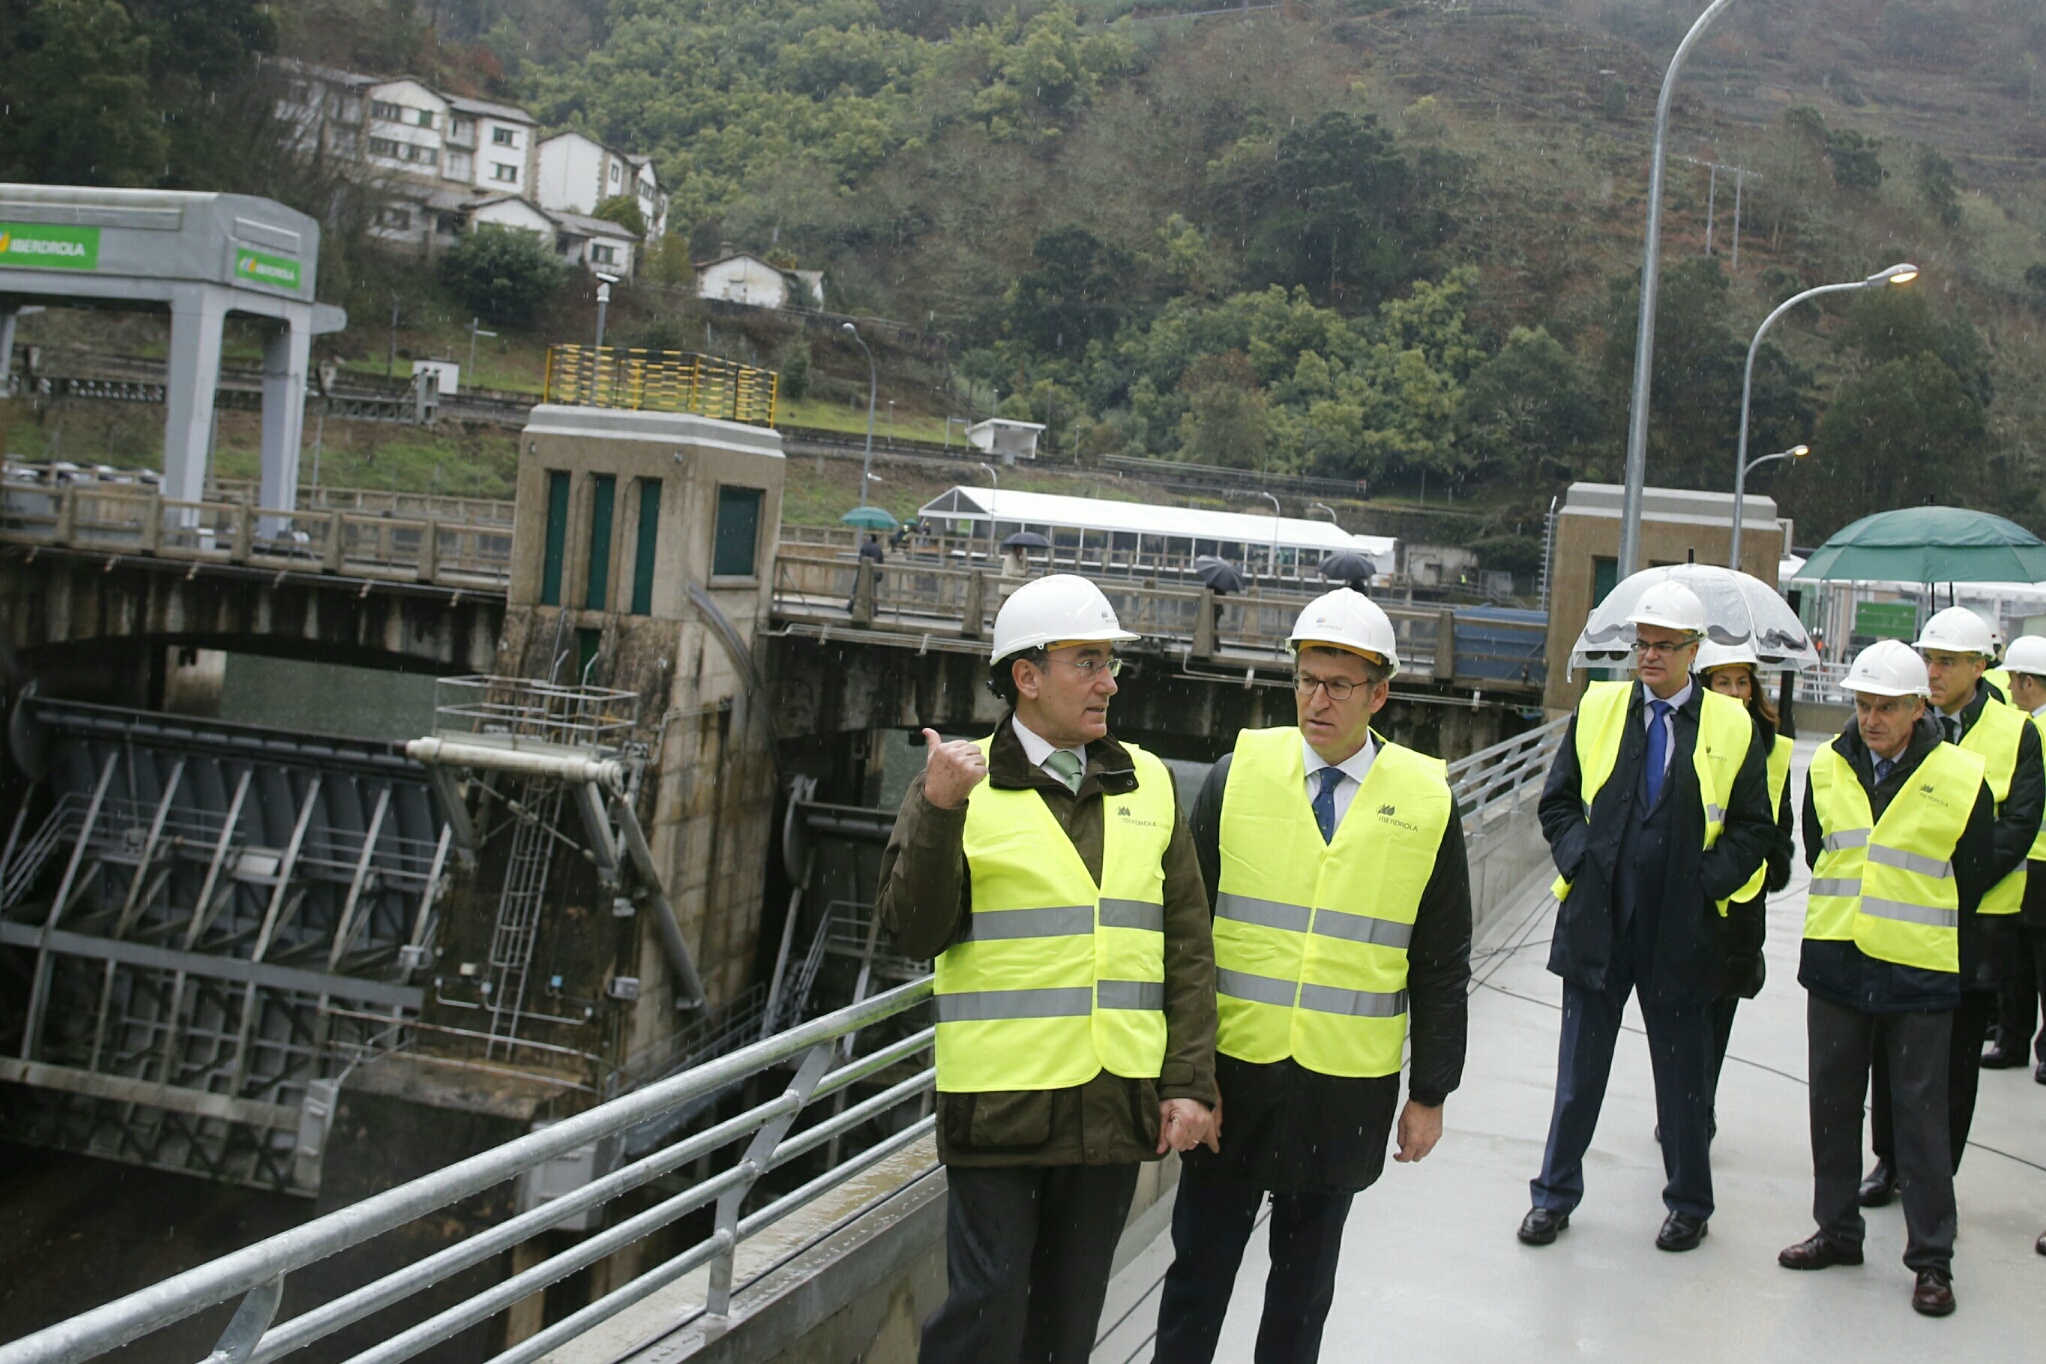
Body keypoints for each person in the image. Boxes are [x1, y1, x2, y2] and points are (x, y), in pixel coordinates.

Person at [876, 572, 1218, 1364]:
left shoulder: (1151, 781)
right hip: (1000, 1107)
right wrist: (937, 810)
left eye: (1110, 664)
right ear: (1026, 678)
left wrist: (1190, 1082)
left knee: (1067, 1328)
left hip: (1110, 1106)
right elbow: (910, 932)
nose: (1109, 682)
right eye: (1087, 662)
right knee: (986, 1319)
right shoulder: (957, 785)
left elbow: (1187, 948)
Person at [1155, 590, 1472, 1364]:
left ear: (1379, 694)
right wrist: (1186, 1075)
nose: (1317, 700)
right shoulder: (1237, 777)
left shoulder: (1426, 801)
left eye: (1337, 685)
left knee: (1302, 1291)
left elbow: (1439, 962)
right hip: (1231, 1080)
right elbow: (1184, 937)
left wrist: (1429, 1093)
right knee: (1198, 1273)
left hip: (1344, 1089)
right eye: (1306, 680)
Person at [1520, 581, 1773, 1252]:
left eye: (1665, 646)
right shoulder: (1600, 706)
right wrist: (1581, 860)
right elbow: (1558, 803)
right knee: (1578, 1077)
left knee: (1684, 1083)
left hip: (1683, 931)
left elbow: (1754, 830)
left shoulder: (1731, 723)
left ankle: (1689, 1203)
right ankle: (1552, 1196)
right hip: (1600, 922)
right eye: (1643, 643)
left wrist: (1704, 885)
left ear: (1695, 650)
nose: (1650, 656)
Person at [1777, 639, 1994, 1318]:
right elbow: (1822, 851)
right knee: (1832, 1109)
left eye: (1884, 708)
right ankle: (1838, 1230)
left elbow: (1975, 871)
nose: (1870, 719)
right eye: (1862, 705)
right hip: (1839, 962)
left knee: (1919, 1122)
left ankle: (1932, 1260)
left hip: (1919, 970)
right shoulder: (1829, 768)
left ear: (1916, 708)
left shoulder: (1961, 777)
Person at [1859, 607, 2043, 1205]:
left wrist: (1958, 879)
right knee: (1891, 1051)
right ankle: (1887, 1161)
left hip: (1980, 923)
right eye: (1929, 659)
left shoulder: (2018, 732)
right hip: (1904, 922)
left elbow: (2018, 823)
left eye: (1946, 662)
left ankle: (1937, 1173)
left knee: (1958, 1058)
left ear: (1980, 666)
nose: (1933, 671)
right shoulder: (1908, 717)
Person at [1694, 641, 1795, 1113]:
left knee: (1721, 1006)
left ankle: (1702, 1101)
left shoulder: (1774, 744)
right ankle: (1685, 1101)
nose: (1735, 692)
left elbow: (1784, 816)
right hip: (1692, 892)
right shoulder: (1688, 734)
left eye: (1742, 681)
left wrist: (1774, 861)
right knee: (1685, 1005)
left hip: (1743, 897)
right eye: (1723, 681)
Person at [1993, 634, 2046, 1085]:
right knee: (2029, 957)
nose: (2010, 690)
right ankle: (2023, 1043)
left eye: (2013, 681)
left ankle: (2014, 1040)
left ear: (2028, 682)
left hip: (2036, 860)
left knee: (2028, 958)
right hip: (2033, 858)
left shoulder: (2031, 731)